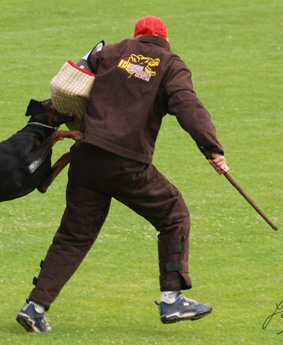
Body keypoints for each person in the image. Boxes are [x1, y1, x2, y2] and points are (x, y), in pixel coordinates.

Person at [16, 15, 229, 333]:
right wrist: (212, 148)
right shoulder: (171, 64)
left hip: (86, 156)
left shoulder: (111, 52)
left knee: (74, 236)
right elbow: (187, 105)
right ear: (164, 39)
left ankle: (34, 307)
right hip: (126, 163)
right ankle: (172, 298)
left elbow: (71, 81)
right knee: (173, 214)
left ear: (137, 36)